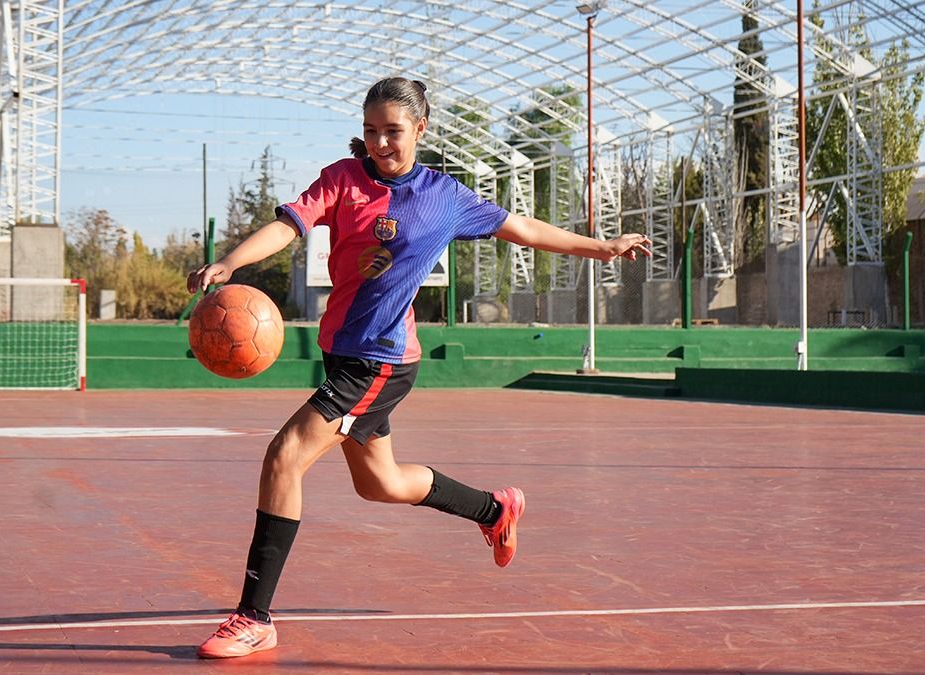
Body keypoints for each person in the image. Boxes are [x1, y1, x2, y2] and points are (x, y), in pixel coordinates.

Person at [186, 77, 651, 659]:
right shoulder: (342, 179)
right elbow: (289, 225)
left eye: (393, 131)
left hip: (380, 362)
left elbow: (525, 229)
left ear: (421, 129)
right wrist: (231, 261)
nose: (380, 142)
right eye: (371, 131)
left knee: (285, 456)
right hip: (344, 353)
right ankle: (494, 509)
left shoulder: (444, 197)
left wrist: (602, 247)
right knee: (379, 484)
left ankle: (253, 617)